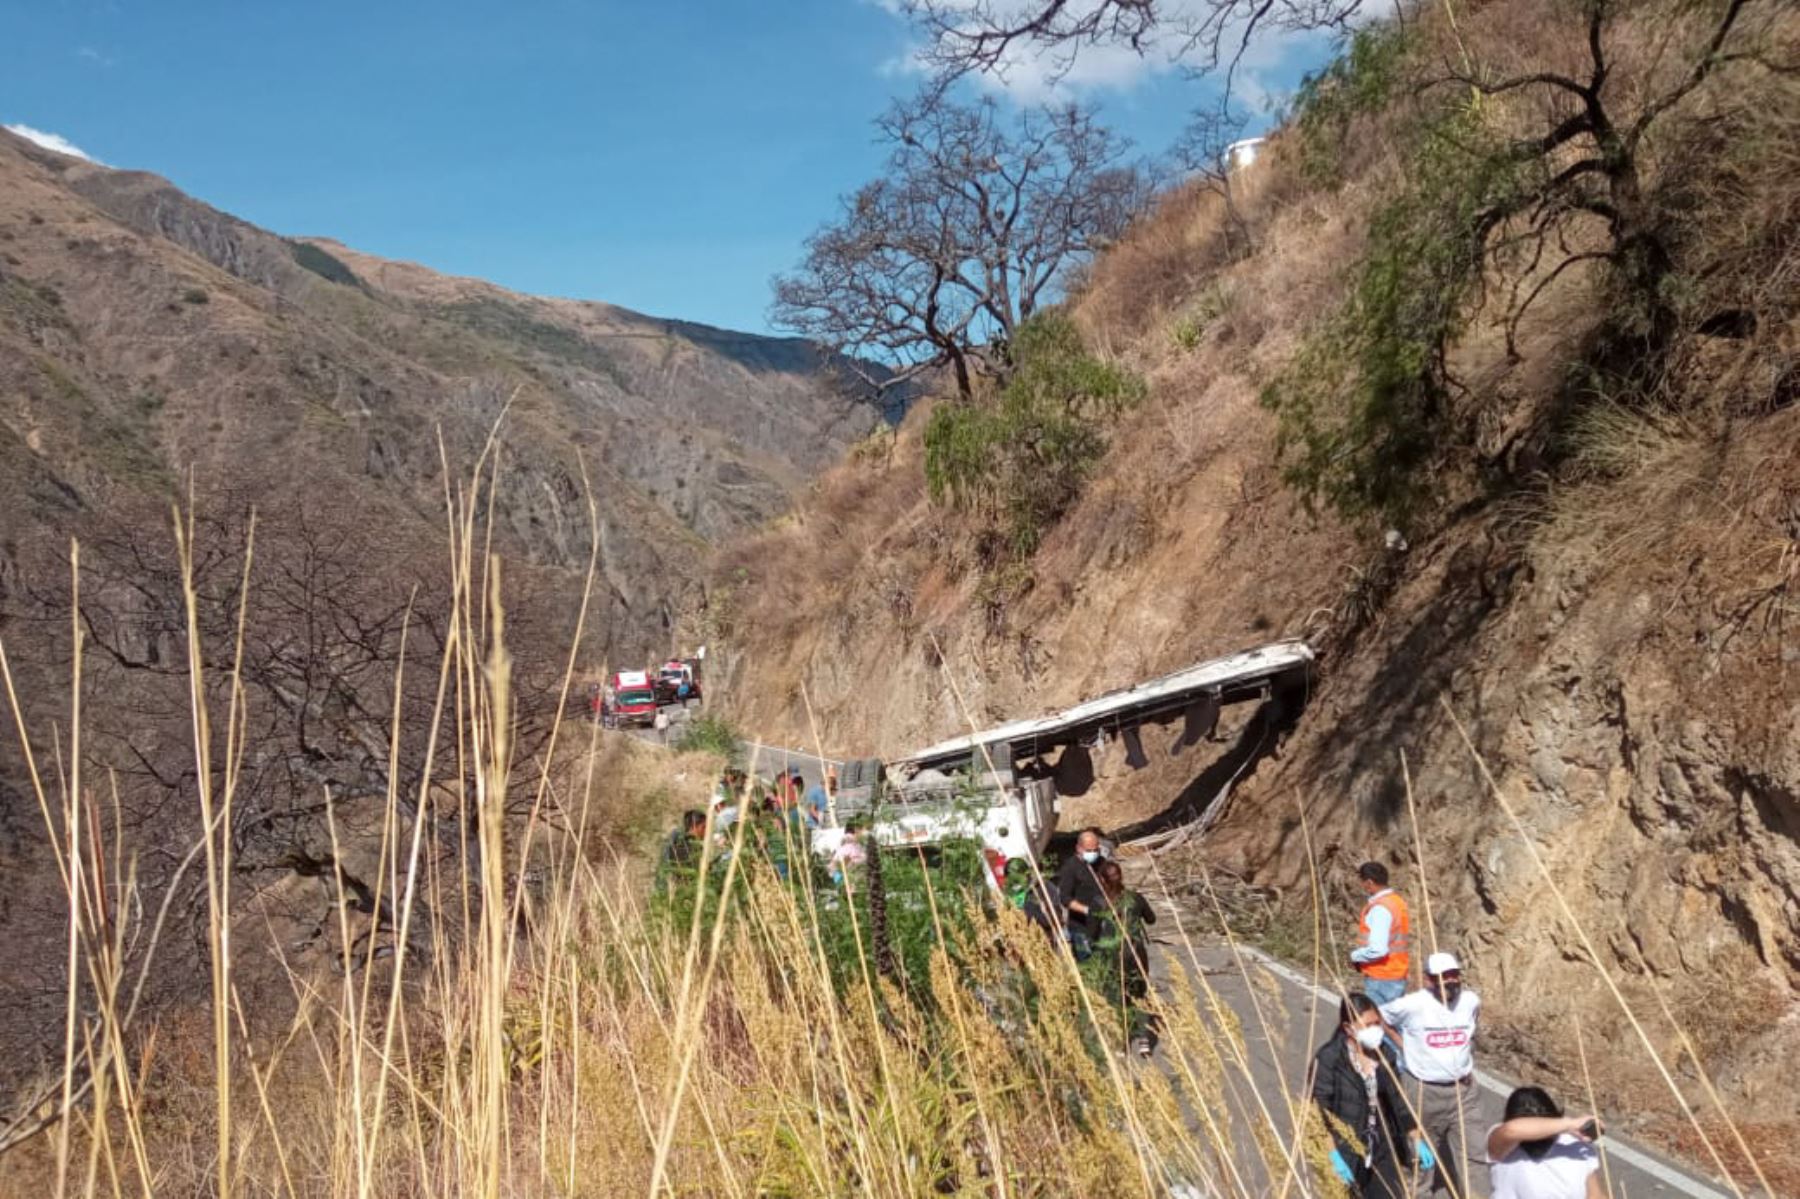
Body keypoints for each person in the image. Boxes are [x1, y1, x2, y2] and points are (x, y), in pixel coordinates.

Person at [1381, 951, 1481, 1199]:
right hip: (1425, 1091)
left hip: (1464, 1091)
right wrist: (1401, 1043)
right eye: (1443, 977)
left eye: (1454, 975)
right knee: (1421, 1159)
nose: (1450, 981)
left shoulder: (1470, 1001)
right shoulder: (1412, 1004)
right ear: (1428, 980)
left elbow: (1473, 1024)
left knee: (1474, 1154)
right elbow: (1379, 1016)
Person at [1309, 994, 1422, 1199]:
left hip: (1381, 1148)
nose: (1376, 1030)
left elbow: (1398, 1099)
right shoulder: (1329, 1059)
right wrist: (1332, 1155)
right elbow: (1319, 1113)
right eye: (1368, 1024)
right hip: (1347, 1150)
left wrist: (1415, 1137)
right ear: (1348, 1028)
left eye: (1378, 1023)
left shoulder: (1384, 1054)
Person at [1088, 859, 1158, 1055]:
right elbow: (1151, 919)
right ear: (1121, 877)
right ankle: (1145, 1040)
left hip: (1111, 954)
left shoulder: (1098, 902)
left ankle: (1122, 1041)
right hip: (1136, 952)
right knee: (1139, 995)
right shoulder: (1135, 898)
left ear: (1102, 880)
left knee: (1117, 997)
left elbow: (1091, 933)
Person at [1486, 1086, 1604, 1199]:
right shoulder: (1502, 1145)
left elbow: (1595, 1195)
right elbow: (1511, 1130)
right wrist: (1569, 1124)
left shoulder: (1576, 1145)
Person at [1351, 861, 1412, 1008]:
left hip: (1381, 978)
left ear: (1369, 883)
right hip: (1397, 974)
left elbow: (1378, 950)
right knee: (1391, 1024)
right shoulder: (1397, 902)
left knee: (1376, 1026)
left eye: (1362, 882)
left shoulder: (1380, 908)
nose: (1361, 886)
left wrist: (1355, 956)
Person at [1054, 827, 1109, 954]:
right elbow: (1065, 898)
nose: (1094, 853)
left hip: (1101, 923)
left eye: (1096, 850)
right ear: (1079, 848)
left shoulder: (1101, 862)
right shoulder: (1070, 868)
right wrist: (1087, 910)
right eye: (1089, 850)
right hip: (1081, 927)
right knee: (1087, 963)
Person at [656, 809, 708, 889]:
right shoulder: (687, 846)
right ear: (694, 826)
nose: (706, 831)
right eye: (704, 827)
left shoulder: (675, 839)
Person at [828, 821, 867, 887]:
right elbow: (848, 861)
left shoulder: (846, 842)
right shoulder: (850, 844)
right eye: (862, 830)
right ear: (856, 830)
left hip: (841, 880)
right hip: (850, 882)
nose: (863, 833)